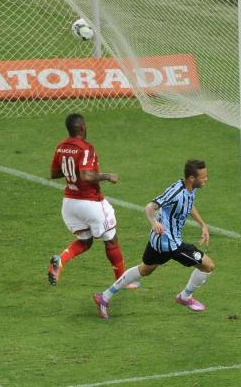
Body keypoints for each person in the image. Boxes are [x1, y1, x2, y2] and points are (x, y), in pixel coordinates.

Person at [93, 159, 214, 318]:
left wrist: (202, 224)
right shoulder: (176, 193)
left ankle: (104, 296)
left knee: (145, 269)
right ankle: (185, 297)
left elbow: (189, 204)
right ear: (192, 178)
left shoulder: (190, 188)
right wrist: (154, 222)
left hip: (158, 241)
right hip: (170, 244)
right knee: (208, 265)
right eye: (203, 177)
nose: (206, 179)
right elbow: (149, 207)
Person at [48, 113, 139, 288]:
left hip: (69, 203)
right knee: (111, 240)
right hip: (90, 203)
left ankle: (61, 260)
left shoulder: (61, 147)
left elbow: (54, 173)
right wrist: (107, 176)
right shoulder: (85, 148)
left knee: (85, 241)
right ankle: (122, 281)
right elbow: (86, 175)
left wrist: (71, 173)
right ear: (82, 127)